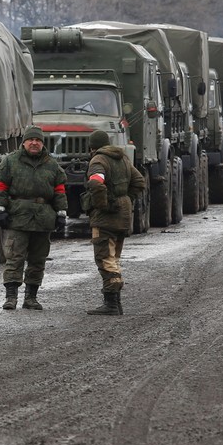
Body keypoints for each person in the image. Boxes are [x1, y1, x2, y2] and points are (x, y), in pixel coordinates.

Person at [0, 125, 68, 311]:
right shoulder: (10, 162)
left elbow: (59, 190)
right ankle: (11, 298)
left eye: (38, 140)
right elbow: (0, 186)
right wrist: (0, 209)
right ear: (24, 142)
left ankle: (31, 298)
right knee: (14, 258)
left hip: (43, 219)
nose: (34, 143)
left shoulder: (52, 165)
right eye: (31, 140)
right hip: (18, 217)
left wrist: (61, 213)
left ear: (42, 143)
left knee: (38, 260)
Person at [84, 129, 146, 316]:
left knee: (104, 258)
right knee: (113, 258)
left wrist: (101, 204)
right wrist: (126, 199)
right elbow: (139, 182)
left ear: (92, 147)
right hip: (123, 214)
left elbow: (96, 182)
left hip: (106, 217)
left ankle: (111, 302)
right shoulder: (123, 158)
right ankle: (115, 303)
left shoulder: (98, 160)